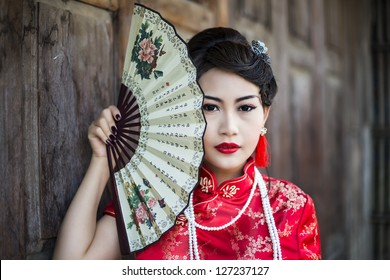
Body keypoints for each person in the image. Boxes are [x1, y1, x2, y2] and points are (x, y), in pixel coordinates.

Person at [53, 27, 321, 260]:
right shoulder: (152, 198)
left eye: (245, 108)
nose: (229, 128)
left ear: (265, 113)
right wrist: (102, 160)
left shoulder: (291, 207)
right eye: (210, 107)